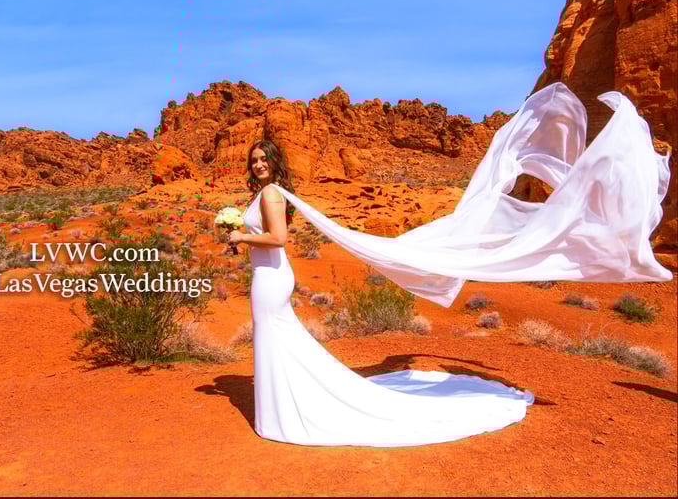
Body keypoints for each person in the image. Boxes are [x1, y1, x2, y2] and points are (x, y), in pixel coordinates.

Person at [226, 83, 672, 447]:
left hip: (270, 278)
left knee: (275, 338)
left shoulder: (269, 195)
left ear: (275, 164)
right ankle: (281, 407)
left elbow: (279, 239)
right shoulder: (265, 195)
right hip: (268, 276)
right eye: (254, 161)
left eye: (265, 159)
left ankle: (283, 413)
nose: (260, 165)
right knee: (277, 340)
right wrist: (241, 239)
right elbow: (271, 239)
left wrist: (239, 235)